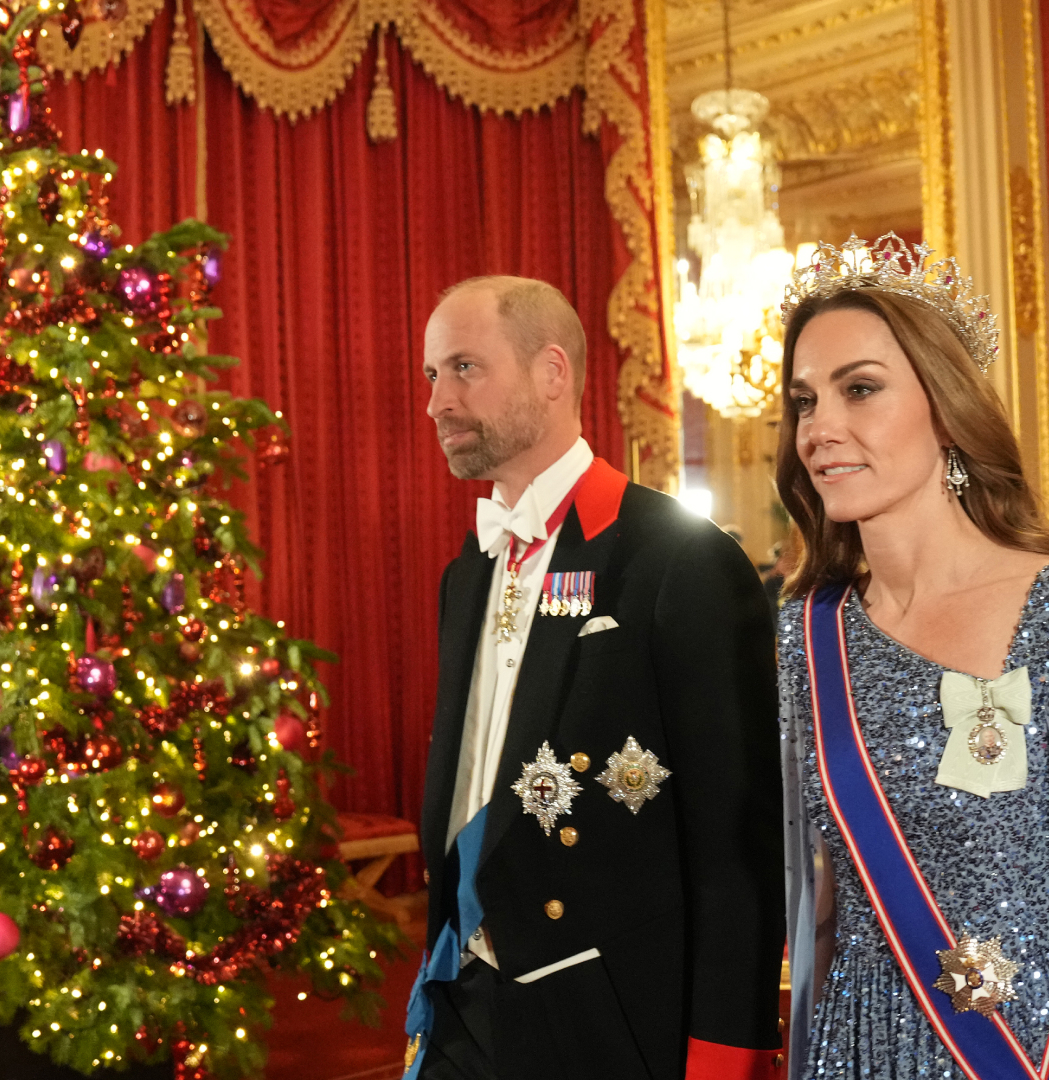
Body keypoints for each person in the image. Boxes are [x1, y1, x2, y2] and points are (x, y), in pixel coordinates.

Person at [404, 275, 785, 1079]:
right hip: (465, 1001)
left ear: (552, 373)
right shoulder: (464, 576)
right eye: (432, 375)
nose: (437, 401)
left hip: (607, 1015)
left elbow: (735, 846)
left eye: (464, 368)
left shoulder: (678, 558)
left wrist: (728, 1056)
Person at [778, 234, 1049, 1080]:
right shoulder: (803, 637)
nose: (820, 428)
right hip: (859, 1046)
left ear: (945, 404)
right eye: (803, 401)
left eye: (860, 389)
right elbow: (810, 895)